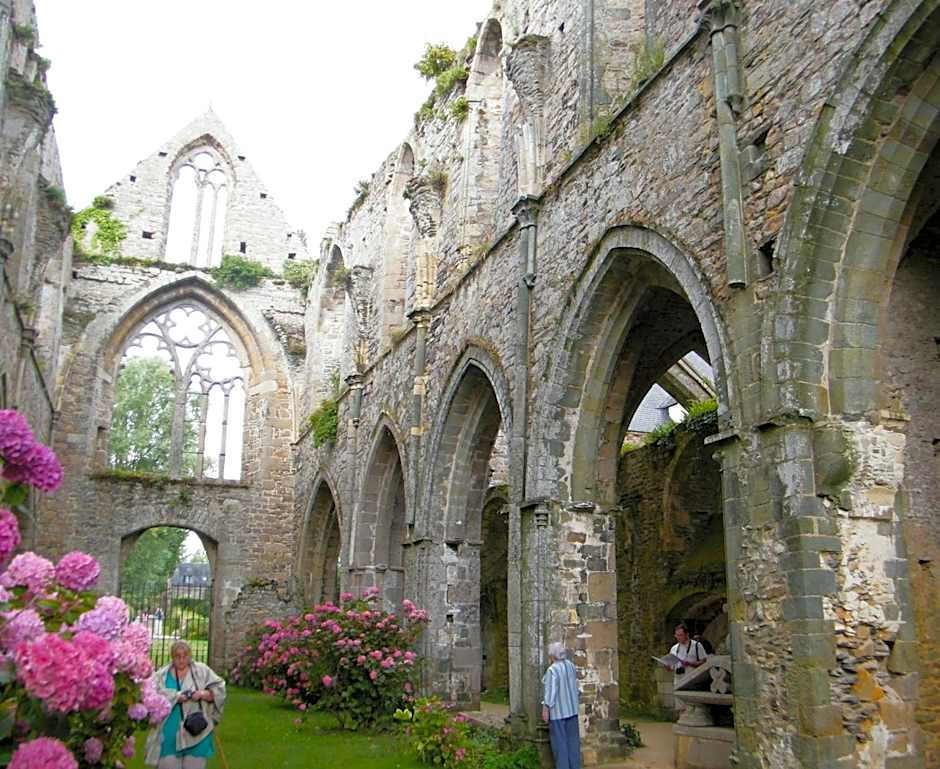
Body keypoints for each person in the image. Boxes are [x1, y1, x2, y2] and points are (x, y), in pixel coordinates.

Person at [144, 640, 226, 768]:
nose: (182, 660)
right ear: (172, 657)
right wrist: (175, 697)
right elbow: (151, 696)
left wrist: (202, 694)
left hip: (196, 733)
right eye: (178, 656)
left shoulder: (201, 671)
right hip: (169, 732)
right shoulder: (161, 676)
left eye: (185, 656)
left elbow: (219, 690)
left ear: (190, 656)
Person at [541, 641, 581, 769]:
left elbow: (550, 692)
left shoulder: (552, 670)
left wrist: (546, 708)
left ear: (552, 656)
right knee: (573, 743)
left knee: (560, 745)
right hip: (572, 710)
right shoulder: (570, 665)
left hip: (558, 713)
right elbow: (576, 686)